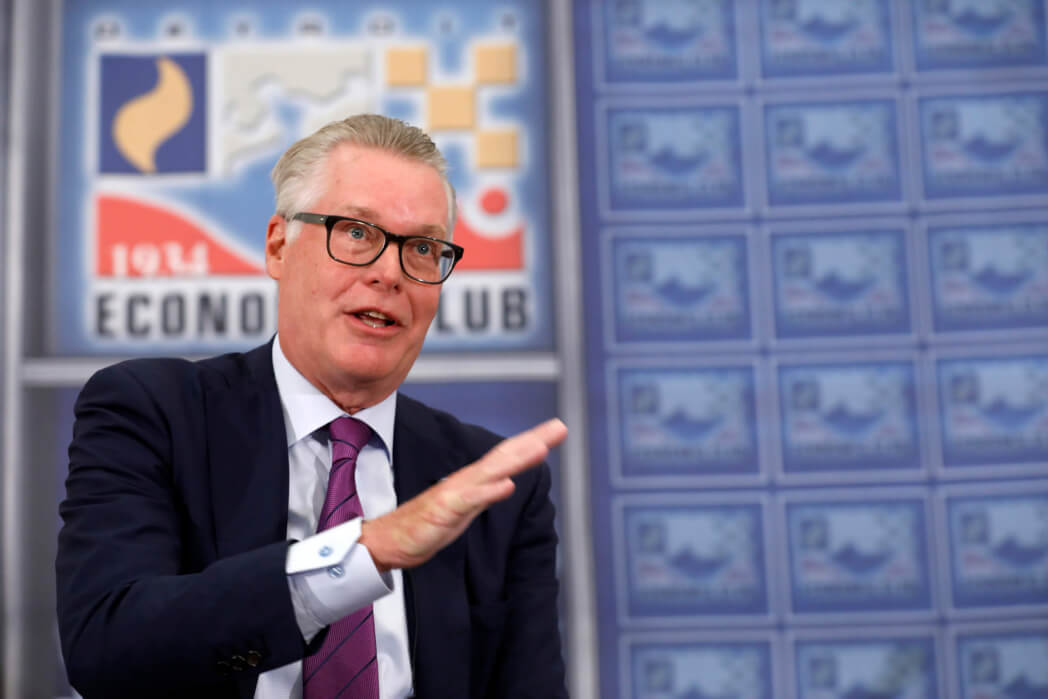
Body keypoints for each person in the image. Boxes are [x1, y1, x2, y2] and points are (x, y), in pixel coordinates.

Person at [56, 114, 569, 699]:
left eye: (423, 248)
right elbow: (107, 647)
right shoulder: (155, 413)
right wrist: (364, 554)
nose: (389, 273)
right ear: (279, 246)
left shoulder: (488, 485)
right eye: (356, 233)